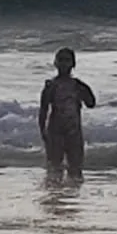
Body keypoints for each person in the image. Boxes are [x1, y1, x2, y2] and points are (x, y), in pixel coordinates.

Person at [39, 47, 97, 177]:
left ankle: (72, 195)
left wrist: (86, 90)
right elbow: (43, 109)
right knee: (54, 169)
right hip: (55, 132)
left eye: (67, 60)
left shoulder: (77, 86)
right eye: (61, 60)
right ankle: (56, 194)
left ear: (73, 64)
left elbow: (91, 103)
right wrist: (42, 130)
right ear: (55, 63)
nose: (64, 64)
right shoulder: (51, 86)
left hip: (74, 132)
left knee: (76, 168)